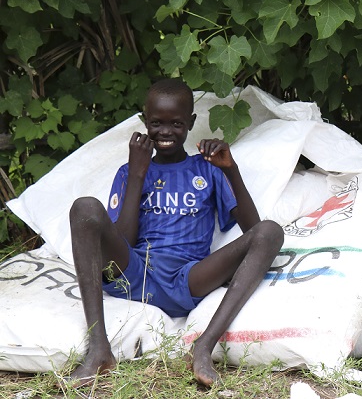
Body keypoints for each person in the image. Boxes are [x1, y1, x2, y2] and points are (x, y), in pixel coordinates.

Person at [67, 78, 284, 387]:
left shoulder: (207, 169)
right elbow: (125, 240)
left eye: (176, 124)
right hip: (134, 274)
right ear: (144, 122)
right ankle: (99, 349)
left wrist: (230, 169)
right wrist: (138, 173)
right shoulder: (130, 170)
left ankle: (204, 347)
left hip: (188, 277)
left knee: (270, 232)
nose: (165, 131)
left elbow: (251, 228)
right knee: (85, 207)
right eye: (156, 123)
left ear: (191, 123)